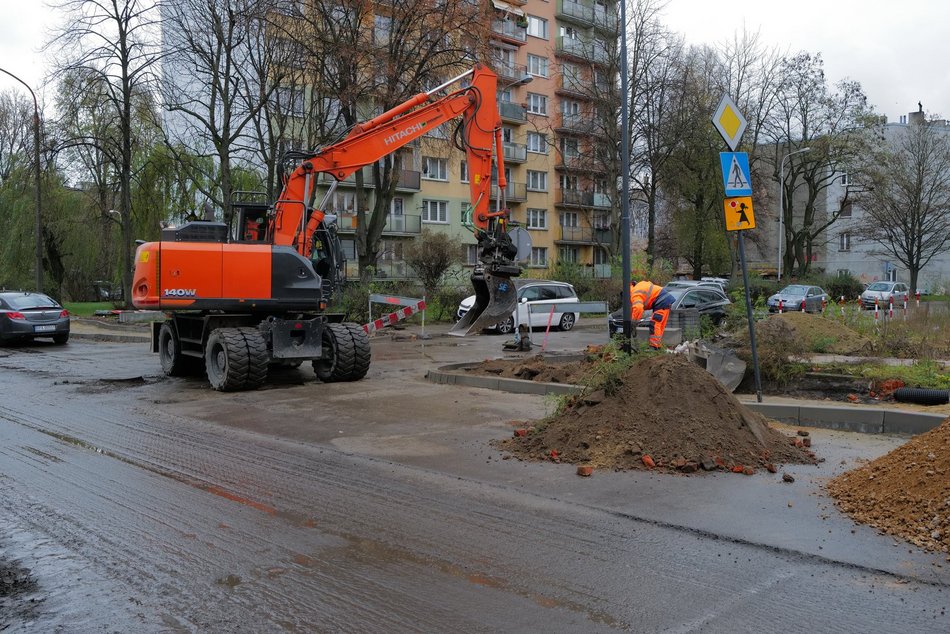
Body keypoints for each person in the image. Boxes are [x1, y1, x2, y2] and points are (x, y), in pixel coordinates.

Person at [629, 280, 676, 349]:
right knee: (659, 325)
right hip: (665, 300)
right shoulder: (638, 286)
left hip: (661, 301)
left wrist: (634, 322)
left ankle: (653, 347)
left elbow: (638, 308)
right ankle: (657, 346)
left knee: (654, 324)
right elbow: (634, 309)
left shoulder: (635, 294)